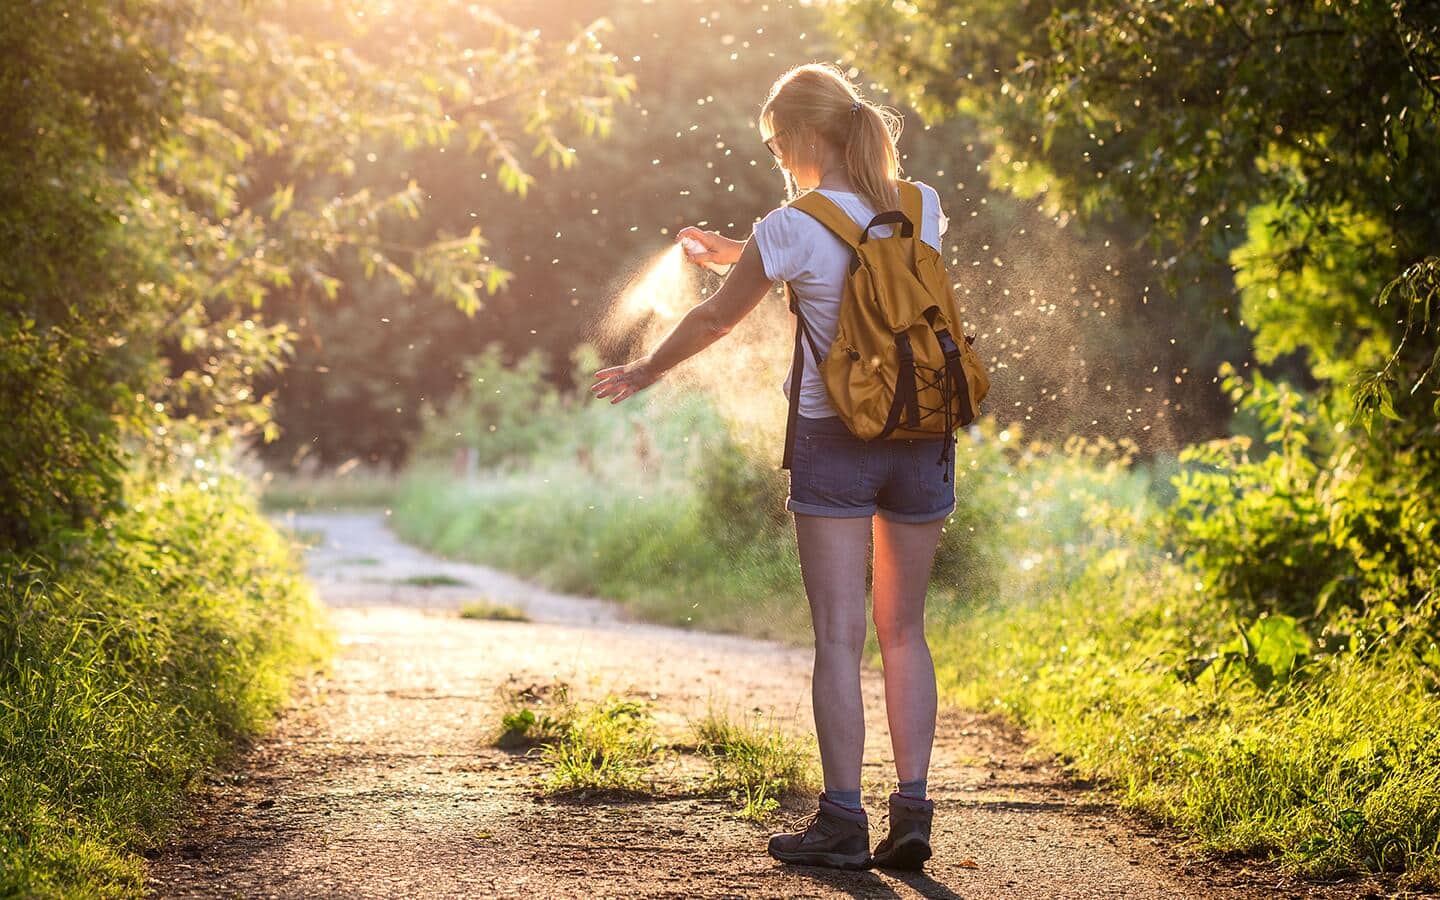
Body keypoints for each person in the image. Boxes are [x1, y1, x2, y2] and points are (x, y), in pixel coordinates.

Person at [591, 62, 951, 871]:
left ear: (798, 138)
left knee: (837, 635)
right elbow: (855, 256)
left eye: (775, 145)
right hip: (924, 434)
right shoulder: (923, 205)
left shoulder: (789, 224)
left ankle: (842, 822)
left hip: (837, 439)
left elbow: (720, 317)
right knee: (905, 632)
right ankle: (915, 810)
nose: (777, 161)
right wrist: (741, 248)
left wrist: (645, 369)